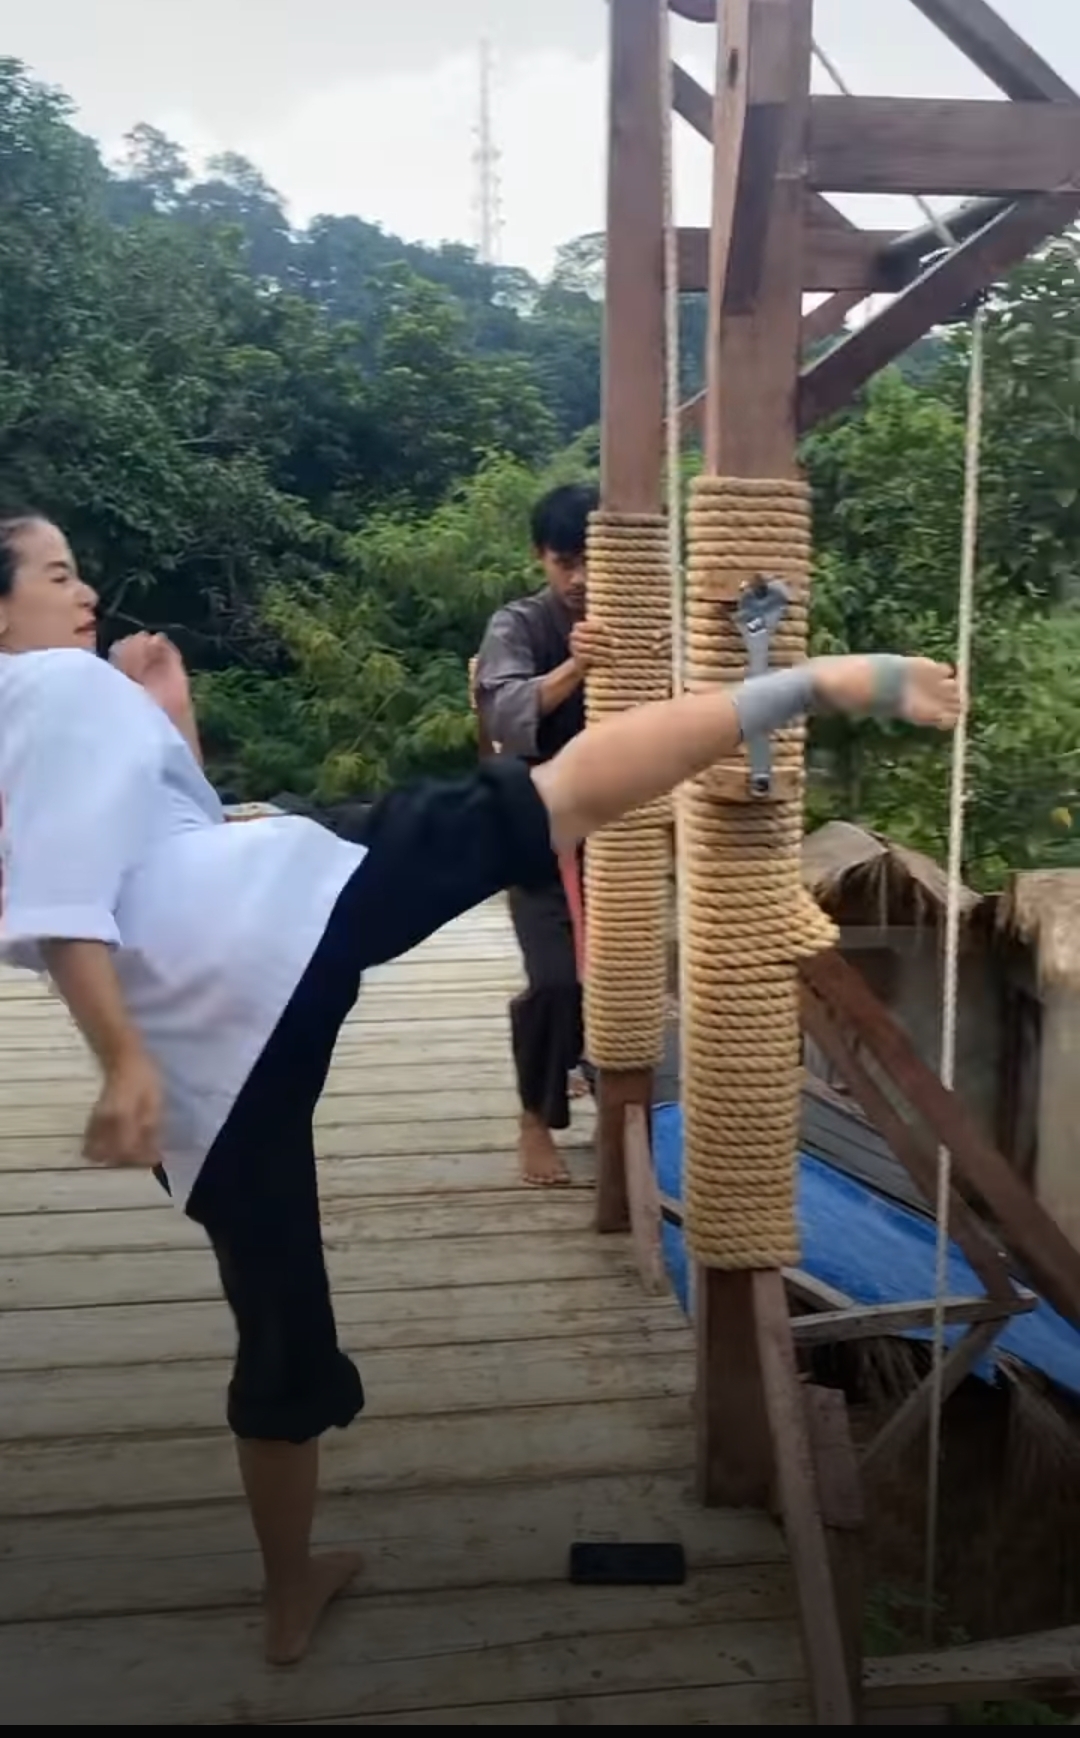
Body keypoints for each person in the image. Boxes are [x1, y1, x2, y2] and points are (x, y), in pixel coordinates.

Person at [0, 510, 962, 1667]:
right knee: (549, 799)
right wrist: (120, 1062)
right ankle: (822, 682)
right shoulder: (55, 680)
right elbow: (66, 902)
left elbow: (132, 856)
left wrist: (170, 722)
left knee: (279, 1324)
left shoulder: (34, 714)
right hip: (268, 926)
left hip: (213, 1072)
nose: (85, 592)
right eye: (58, 574)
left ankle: (290, 1589)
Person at [473, 483, 611, 1187]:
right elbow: (503, 714)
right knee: (555, 979)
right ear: (541, 557)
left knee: (624, 981)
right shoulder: (519, 624)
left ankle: (615, 1105)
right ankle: (535, 1118)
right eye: (566, 562)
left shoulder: (644, 617)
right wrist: (576, 667)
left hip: (623, 830)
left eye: (592, 560)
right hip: (539, 827)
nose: (580, 578)